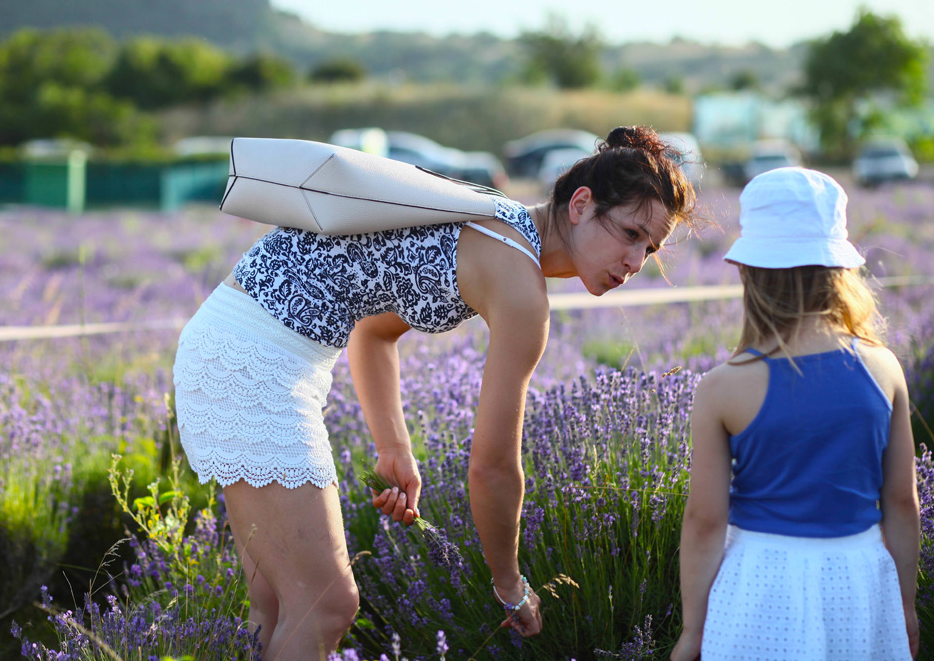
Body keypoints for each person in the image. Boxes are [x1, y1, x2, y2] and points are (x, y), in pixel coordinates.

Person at [172, 125, 698, 659]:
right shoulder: (517, 282)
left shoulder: (498, 223)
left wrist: (394, 448)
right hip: (253, 360)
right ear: (581, 204)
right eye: (631, 233)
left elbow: (374, 331)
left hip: (239, 343)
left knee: (278, 608)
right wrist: (509, 584)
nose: (636, 263)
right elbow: (492, 466)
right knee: (326, 606)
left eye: (650, 248)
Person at [671, 167, 920, 661]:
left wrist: (692, 632)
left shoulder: (723, 388)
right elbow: (902, 503)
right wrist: (907, 606)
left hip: (758, 587)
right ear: (840, 270)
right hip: (860, 581)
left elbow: (704, 522)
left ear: (748, 271)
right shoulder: (883, 367)